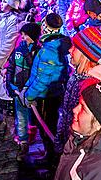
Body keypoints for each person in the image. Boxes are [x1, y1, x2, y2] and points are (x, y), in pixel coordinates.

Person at [55, 26, 101, 154]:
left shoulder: (94, 85)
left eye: (75, 47)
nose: (70, 50)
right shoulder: (78, 75)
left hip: (80, 146)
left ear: (85, 54)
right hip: (69, 139)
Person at [21, 12, 71, 164]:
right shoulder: (56, 44)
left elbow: (42, 79)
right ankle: (50, 155)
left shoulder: (49, 50)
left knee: (47, 127)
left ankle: (51, 160)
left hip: (47, 94)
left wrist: (29, 95)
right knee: (51, 124)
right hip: (54, 92)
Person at [4, 22, 41, 160]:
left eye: (25, 35)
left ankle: (35, 139)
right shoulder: (18, 50)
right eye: (22, 34)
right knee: (21, 117)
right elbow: (11, 67)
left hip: (32, 92)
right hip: (18, 91)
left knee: (34, 118)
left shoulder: (39, 52)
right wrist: (10, 85)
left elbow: (37, 72)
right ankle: (23, 143)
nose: (23, 37)